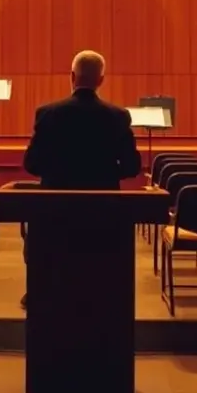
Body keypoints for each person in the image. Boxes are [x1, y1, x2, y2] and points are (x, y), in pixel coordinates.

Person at [19, 50, 142, 309]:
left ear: (72, 76)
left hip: (55, 213)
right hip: (103, 214)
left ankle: (44, 298)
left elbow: (31, 163)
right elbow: (132, 167)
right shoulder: (118, 116)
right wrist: (105, 172)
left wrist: (59, 171)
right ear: (101, 80)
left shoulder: (47, 114)